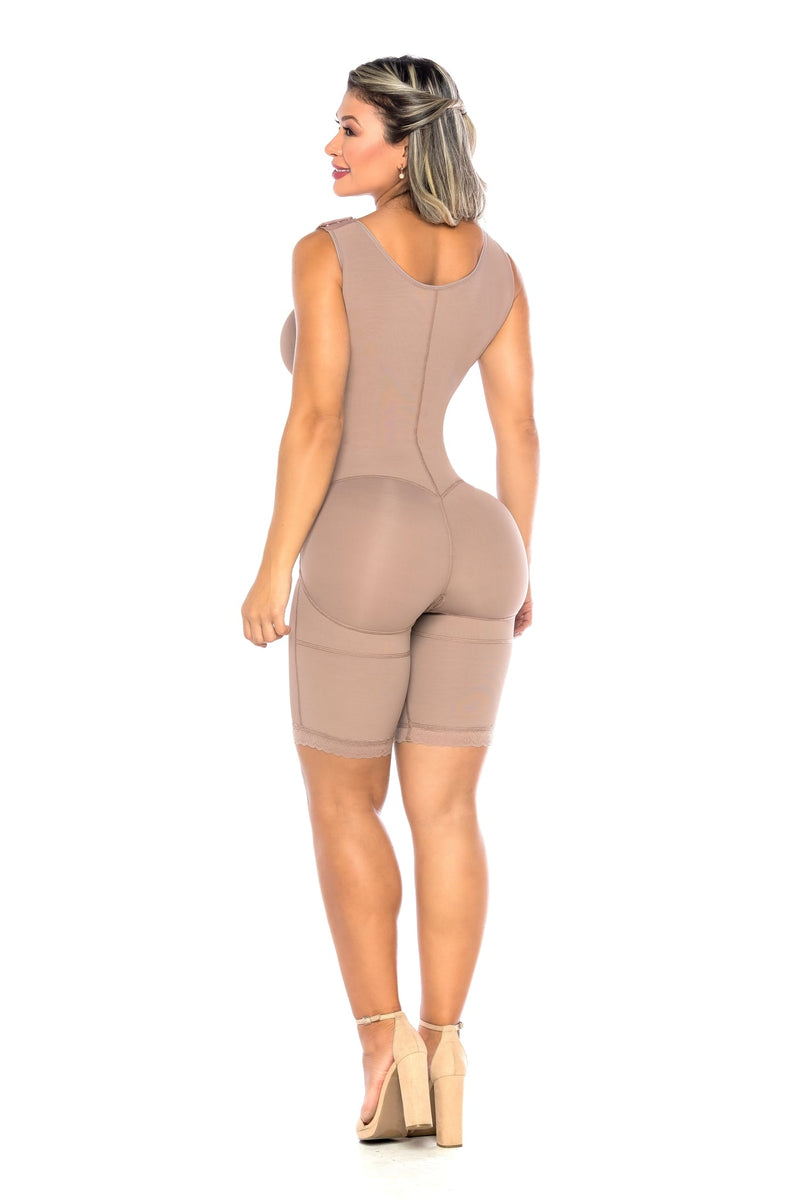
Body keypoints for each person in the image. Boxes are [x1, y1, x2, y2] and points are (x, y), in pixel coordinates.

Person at [241, 55, 539, 1147]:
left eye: (351, 128)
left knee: (343, 804)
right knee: (448, 810)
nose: (331, 146)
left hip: (367, 536)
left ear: (407, 147)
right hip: (478, 537)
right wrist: (522, 564)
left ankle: (384, 1052)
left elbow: (318, 419)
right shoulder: (495, 265)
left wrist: (273, 565)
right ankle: (448, 1054)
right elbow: (518, 429)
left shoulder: (328, 251)